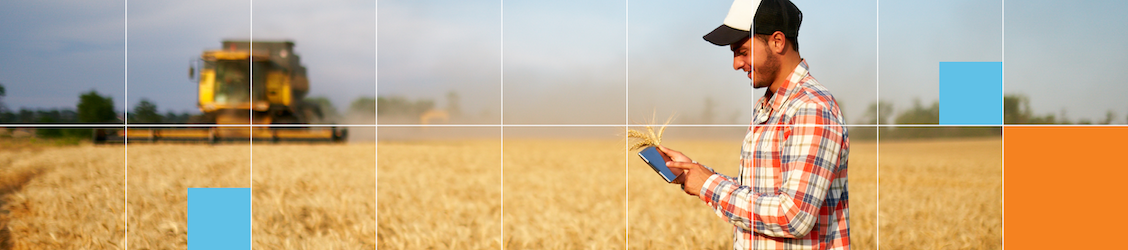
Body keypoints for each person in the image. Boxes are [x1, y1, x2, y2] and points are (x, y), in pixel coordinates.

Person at [660, 0, 850, 249]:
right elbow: (760, 195)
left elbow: (794, 216)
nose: (736, 64)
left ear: (778, 42)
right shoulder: (770, 106)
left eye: (743, 52)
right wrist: (693, 173)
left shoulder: (810, 108)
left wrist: (709, 185)